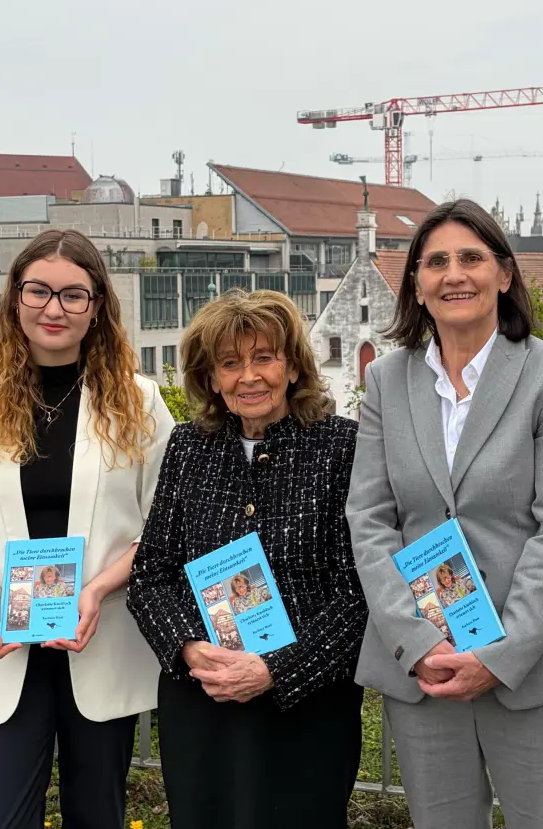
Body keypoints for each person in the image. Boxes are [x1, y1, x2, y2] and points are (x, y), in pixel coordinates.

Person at [346, 198, 543, 829]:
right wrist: (415, 642)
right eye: (435, 261)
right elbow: (370, 518)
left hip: (537, 668)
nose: (454, 274)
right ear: (416, 283)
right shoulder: (388, 380)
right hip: (427, 670)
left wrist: (499, 653)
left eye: (472, 257)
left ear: (503, 273)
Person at [0, 229, 175, 829]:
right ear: (15, 299)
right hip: (4, 644)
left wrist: (95, 591)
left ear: (97, 308)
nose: (53, 309)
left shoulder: (138, 404)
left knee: (98, 815)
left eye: (73, 295)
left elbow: (162, 529)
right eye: (39, 291)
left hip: (100, 636)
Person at [128, 289, 366, 829]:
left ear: (293, 367)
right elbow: (152, 573)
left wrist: (273, 670)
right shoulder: (188, 447)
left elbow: (359, 591)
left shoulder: (342, 447)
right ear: (211, 378)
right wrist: (189, 650)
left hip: (306, 703)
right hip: (203, 694)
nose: (249, 376)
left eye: (264, 358)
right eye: (230, 364)